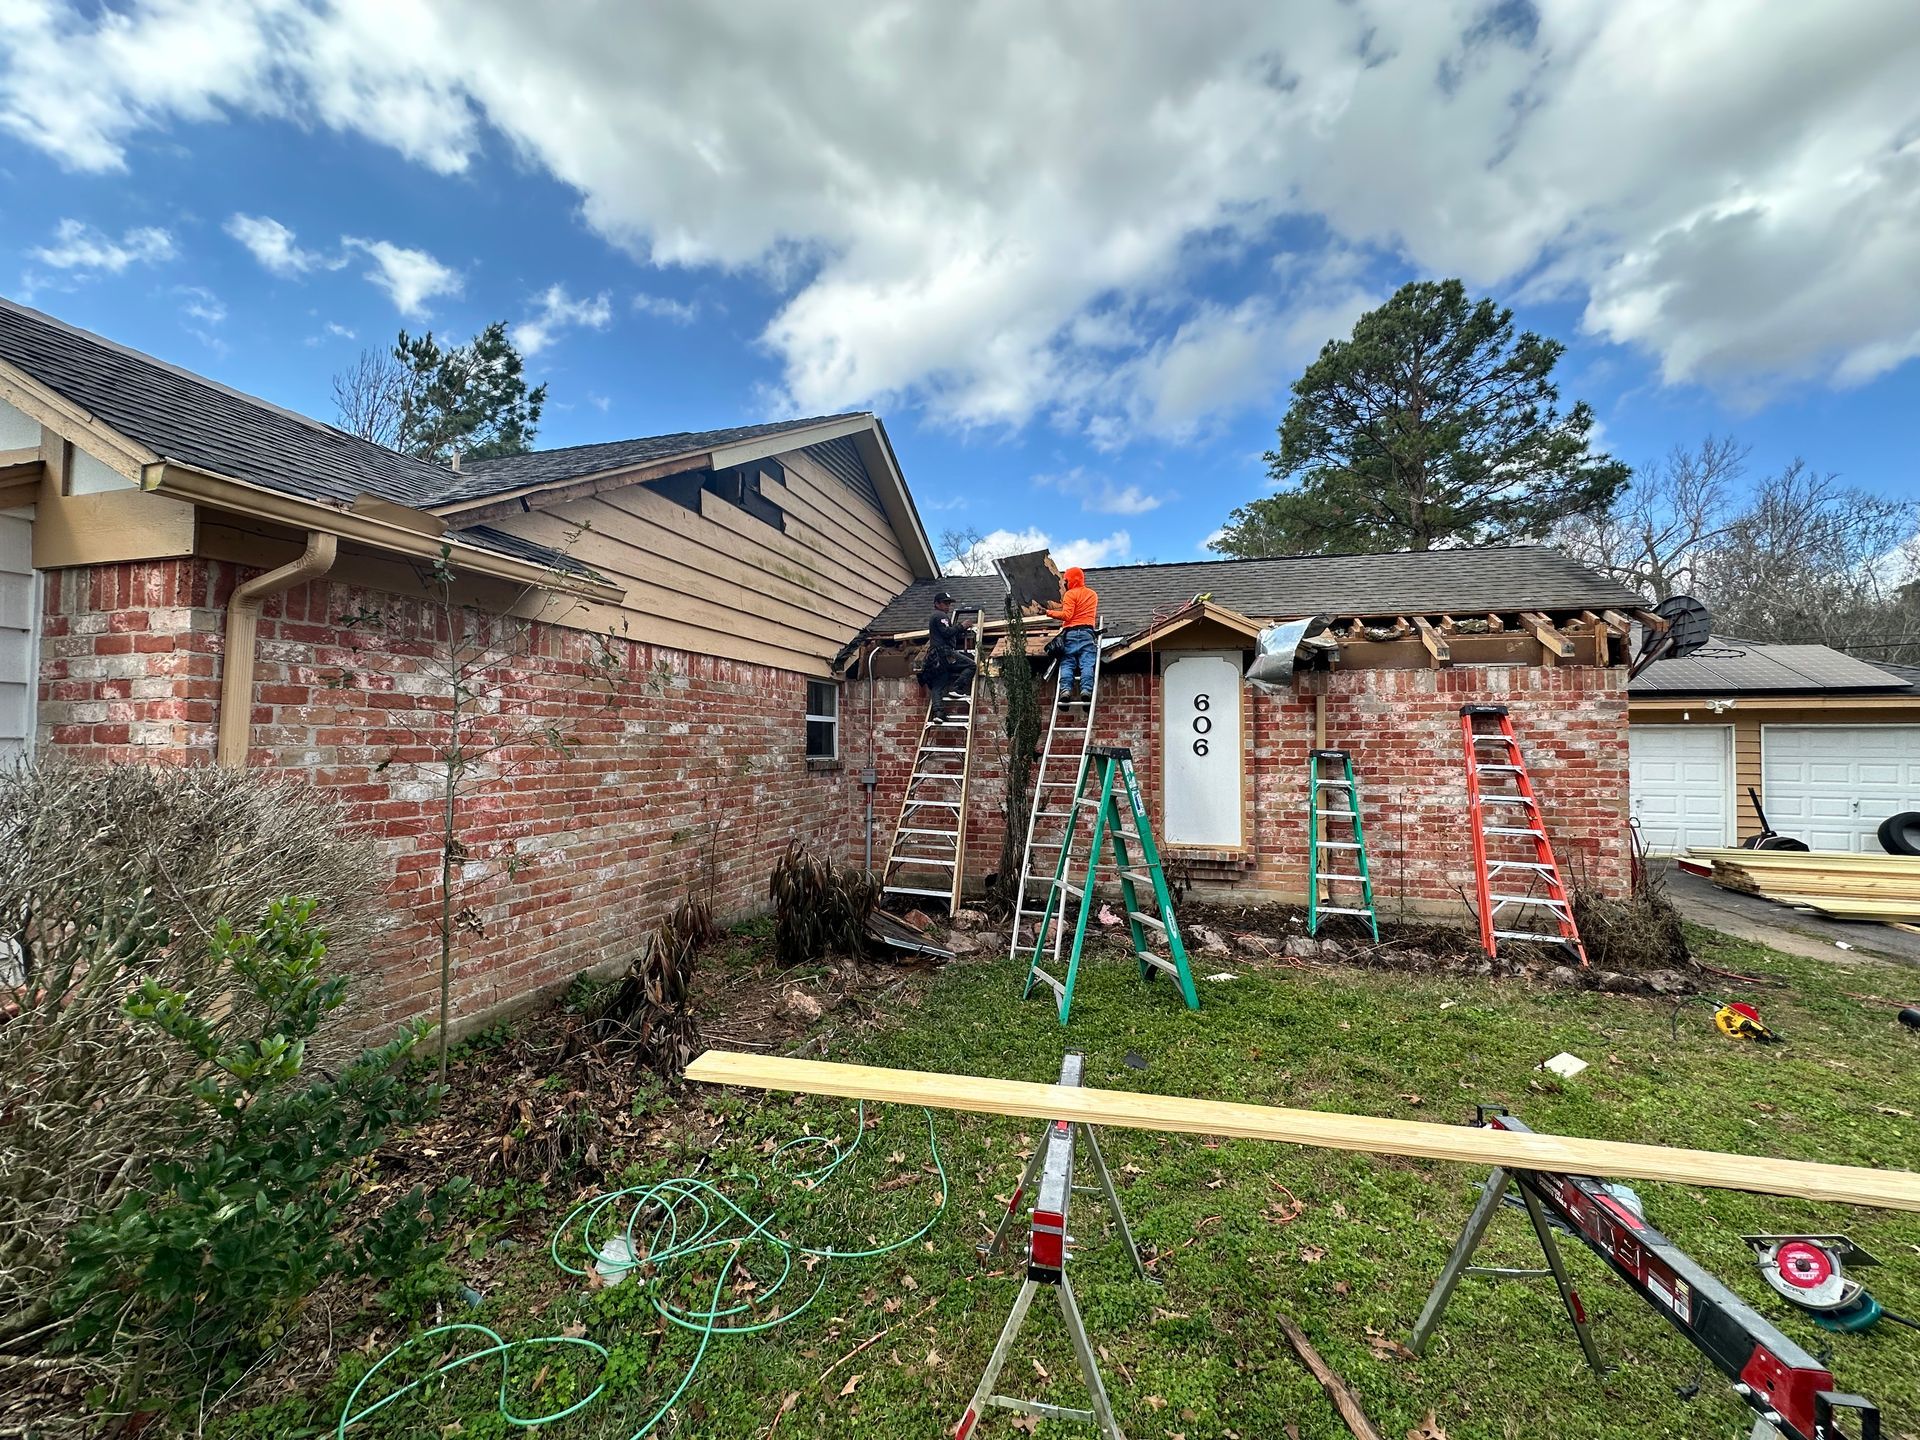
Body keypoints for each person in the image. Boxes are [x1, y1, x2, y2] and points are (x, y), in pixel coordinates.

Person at [1031, 565, 1098, 706]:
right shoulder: (1092, 594)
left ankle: (1065, 690)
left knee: (1068, 663)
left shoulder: (1070, 594)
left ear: (1072, 580)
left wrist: (1047, 612)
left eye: (1066, 580)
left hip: (1071, 634)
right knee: (1087, 663)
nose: (1065, 583)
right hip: (1087, 634)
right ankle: (1086, 690)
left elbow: (1067, 615)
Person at [920, 591, 977, 722]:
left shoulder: (936, 616)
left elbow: (946, 634)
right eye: (945, 603)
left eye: (949, 603)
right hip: (944, 653)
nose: (948, 606)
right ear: (936, 604)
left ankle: (939, 713)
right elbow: (946, 633)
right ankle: (957, 688)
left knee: (939, 683)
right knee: (971, 665)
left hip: (936, 657)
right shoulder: (940, 615)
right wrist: (962, 626)